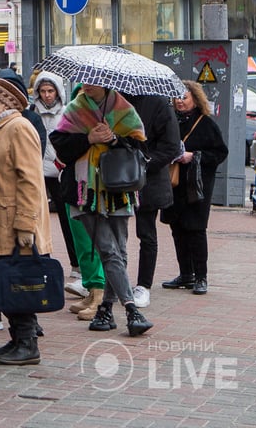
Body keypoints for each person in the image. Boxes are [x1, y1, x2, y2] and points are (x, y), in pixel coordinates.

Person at [50, 84, 154, 337]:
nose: (87, 83)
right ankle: (132, 310)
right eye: (84, 79)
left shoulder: (124, 109)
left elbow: (142, 149)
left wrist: (114, 138)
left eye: (93, 79)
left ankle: (106, 308)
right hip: (84, 193)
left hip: (118, 189)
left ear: (106, 82)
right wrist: (89, 139)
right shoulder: (75, 109)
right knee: (108, 250)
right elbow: (59, 145)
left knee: (118, 250)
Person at [0, 78, 52, 366]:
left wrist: (24, 224)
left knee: (17, 281)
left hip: (14, 226)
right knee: (5, 281)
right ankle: (18, 338)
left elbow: (31, 181)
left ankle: (28, 343)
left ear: (6, 104)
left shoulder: (18, 128)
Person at [33, 75, 105, 316]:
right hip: (73, 185)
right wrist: (86, 138)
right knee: (81, 240)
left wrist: (106, 137)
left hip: (99, 187)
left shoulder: (114, 117)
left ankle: (100, 294)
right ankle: (90, 288)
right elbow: (59, 144)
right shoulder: (72, 121)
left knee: (97, 242)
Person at [163, 81, 228, 295]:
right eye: (177, 97)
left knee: (196, 229)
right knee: (177, 227)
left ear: (195, 99)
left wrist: (194, 156)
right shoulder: (169, 121)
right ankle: (186, 274)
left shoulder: (206, 123)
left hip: (196, 185)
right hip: (173, 183)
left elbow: (220, 153)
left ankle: (201, 277)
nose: (180, 101)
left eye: (184, 97)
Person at [121, 90, 181, 310]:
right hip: (117, 176)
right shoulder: (113, 99)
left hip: (148, 180)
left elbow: (171, 145)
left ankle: (143, 285)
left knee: (146, 233)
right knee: (115, 234)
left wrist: (144, 162)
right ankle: (115, 281)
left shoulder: (158, 104)